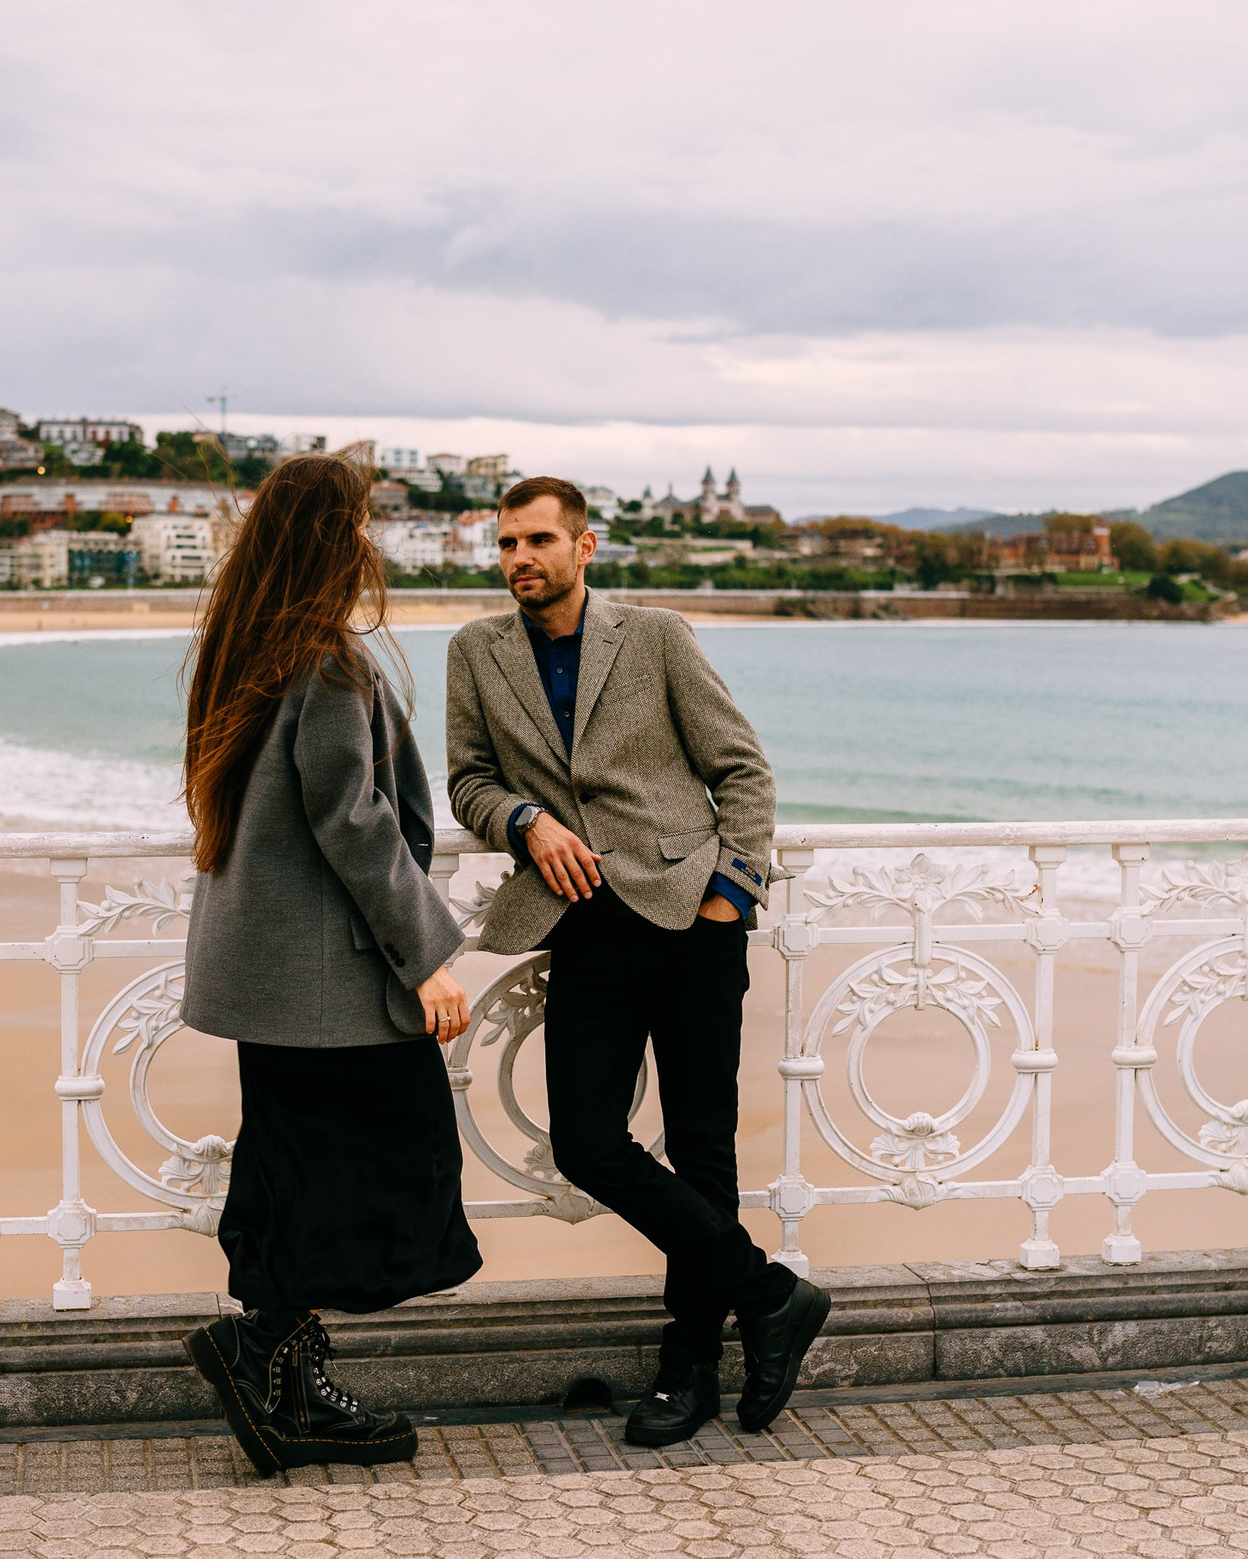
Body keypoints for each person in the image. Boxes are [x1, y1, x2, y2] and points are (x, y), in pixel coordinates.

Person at [446, 476, 830, 1448]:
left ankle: (689, 1363)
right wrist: (523, 822)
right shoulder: (476, 652)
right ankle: (772, 1293)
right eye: (505, 545)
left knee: (703, 1148)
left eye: (537, 540)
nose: (518, 559)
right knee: (586, 1140)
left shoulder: (654, 635)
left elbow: (741, 768)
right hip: (581, 924)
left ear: (585, 547)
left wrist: (729, 893)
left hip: (691, 916)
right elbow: (466, 781)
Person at [178, 452, 480, 1476]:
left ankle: (282, 1375)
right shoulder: (324, 662)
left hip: (272, 977)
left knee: (294, 1165)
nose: (371, 545)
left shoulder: (242, 650)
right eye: (360, 526)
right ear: (331, 541)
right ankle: (267, 1356)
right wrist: (429, 956)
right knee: (380, 1165)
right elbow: (355, 823)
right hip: (329, 982)